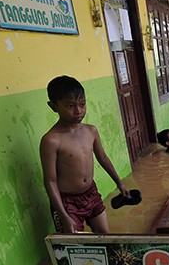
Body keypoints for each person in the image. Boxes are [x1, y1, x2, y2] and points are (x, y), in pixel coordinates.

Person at [40, 75, 130, 233]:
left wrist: (119, 182)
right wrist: (63, 215)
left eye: (82, 104)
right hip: (67, 203)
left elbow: (103, 158)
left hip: (91, 193)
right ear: (53, 106)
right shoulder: (51, 140)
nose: (78, 111)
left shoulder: (91, 131)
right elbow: (50, 181)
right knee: (76, 247)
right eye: (70, 106)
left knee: (106, 238)